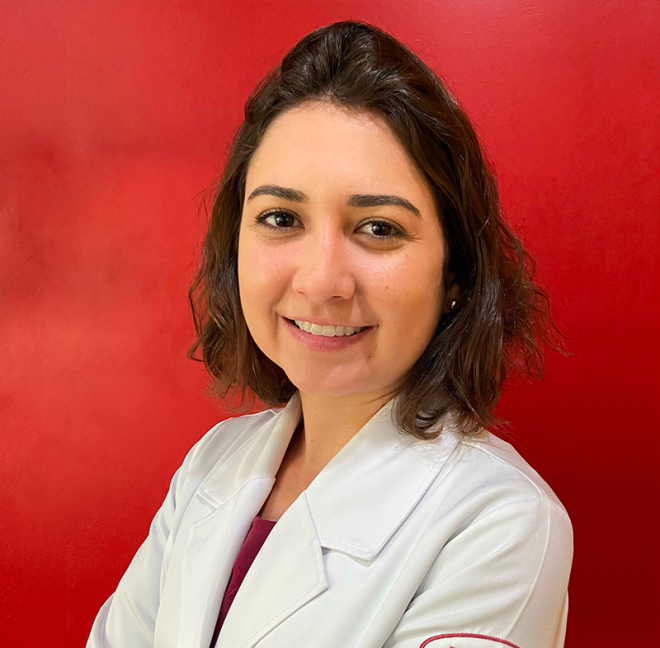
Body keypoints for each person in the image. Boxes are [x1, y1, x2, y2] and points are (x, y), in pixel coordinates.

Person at [86, 20, 574, 648]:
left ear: (454, 272)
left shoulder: (500, 523)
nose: (321, 282)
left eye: (378, 228)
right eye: (280, 218)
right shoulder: (212, 463)